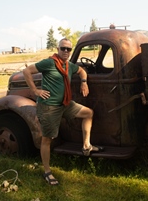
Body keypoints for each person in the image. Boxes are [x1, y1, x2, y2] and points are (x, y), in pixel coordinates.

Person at [23, 38, 103, 186]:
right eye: (63, 48)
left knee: (88, 113)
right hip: (49, 107)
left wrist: (84, 82)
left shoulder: (69, 66)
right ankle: (47, 172)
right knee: (47, 139)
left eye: (68, 49)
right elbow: (26, 71)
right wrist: (35, 90)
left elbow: (81, 71)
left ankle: (86, 145)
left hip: (65, 103)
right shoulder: (49, 63)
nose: (66, 51)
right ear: (58, 49)